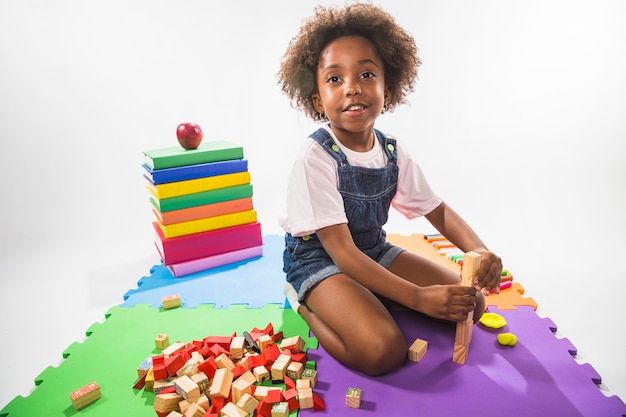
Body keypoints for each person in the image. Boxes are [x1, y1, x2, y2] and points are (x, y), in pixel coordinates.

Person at [277, 3, 502, 377]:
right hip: (320, 261)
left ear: (388, 87)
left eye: (366, 74)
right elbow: (343, 254)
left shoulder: (392, 151)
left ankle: (373, 296)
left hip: (372, 251)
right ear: (317, 100)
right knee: (381, 351)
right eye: (335, 79)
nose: (352, 87)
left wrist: (477, 249)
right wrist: (416, 297)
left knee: (470, 304)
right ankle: (305, 307)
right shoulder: (314, 157)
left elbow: (438, 210)